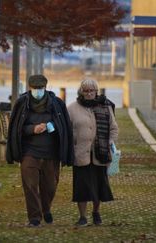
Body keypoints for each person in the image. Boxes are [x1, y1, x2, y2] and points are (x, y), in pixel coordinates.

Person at [6, 74, 74, 227]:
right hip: (30, 153)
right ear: (30, 88)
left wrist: (52, 126)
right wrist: (32, 129)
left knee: (50, 186)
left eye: (40, 88)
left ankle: (46, 209)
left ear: (45, 87)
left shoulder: (56, 103)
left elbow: (64, 125)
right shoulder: (22, 103)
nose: (38, 91)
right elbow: (16, 128)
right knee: (30, 186)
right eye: (35, 88)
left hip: (51, 153)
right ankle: (35, 218)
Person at [67, 79, 118, 226]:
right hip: (81, 154)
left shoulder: (105, 107)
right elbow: (67, 131)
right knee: (81, 187)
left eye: (92, 90)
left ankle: (96, 212)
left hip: (100, 154)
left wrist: (108, 143)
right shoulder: (72, 108)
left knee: (99, 186)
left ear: (96, 91)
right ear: (81, 92)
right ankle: (82, 216)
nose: (89, 93)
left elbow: (114, 129)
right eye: (86, 90)